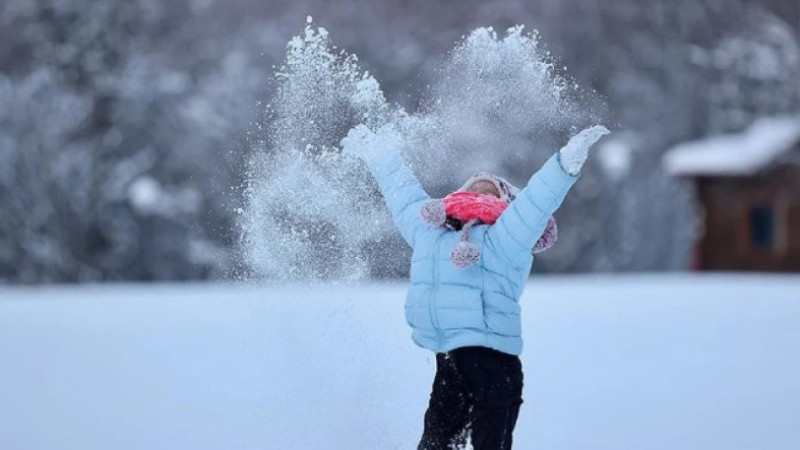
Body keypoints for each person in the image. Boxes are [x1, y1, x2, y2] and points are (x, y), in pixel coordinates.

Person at [342, 124, 609, 450]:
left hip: (495, 362)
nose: (482, 191)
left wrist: (565, 162)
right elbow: (403, 193)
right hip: (450, 360)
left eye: (492, 190)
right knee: (435, 444)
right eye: (474, 188)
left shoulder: (507, 235)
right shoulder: (431, 232)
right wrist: (379, 154)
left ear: (508, 203)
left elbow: (537, 201)